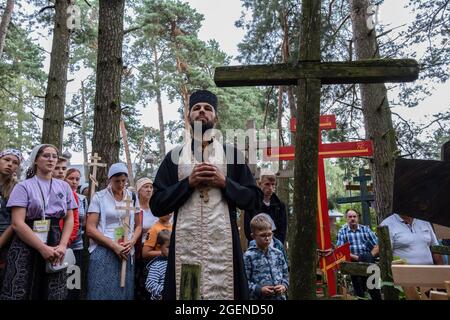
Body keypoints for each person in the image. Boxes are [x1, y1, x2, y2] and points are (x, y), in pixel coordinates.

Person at [150, 89, 261, 300]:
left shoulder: (231, 155)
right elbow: (157, 204)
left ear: (215, 117)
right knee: (188, 299)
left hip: (224, 250)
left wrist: (224, 182)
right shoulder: (174, 157)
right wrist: (188, 183)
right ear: (188, 116)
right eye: (196, 108)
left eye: (208, 108)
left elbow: (254, 199)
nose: (202, 111)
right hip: (186, 248)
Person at [0, 144, 76, 300]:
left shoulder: (64, 186)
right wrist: (42, 248)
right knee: (22, 287)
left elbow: (69, 218)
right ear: (35, 160)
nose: (51, 159)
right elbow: (17, 223)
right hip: (26, 241)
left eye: (54, 156)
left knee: (52, 290)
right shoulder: (23, 186)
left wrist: (62, 245)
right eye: (46, 156)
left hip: (55, 240)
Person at [86, 162, 142, 300]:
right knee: (102, 289)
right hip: (104, 247)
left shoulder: (132, 197)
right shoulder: (99, 197)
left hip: (126, 248)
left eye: (124, 180)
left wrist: (132, 241)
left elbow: (139, 225)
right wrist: (113, 245)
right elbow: (90, 229)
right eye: (117, 181)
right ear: (110, 179)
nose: (121, 184)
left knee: (123, 290)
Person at [336, 208, 381, 300]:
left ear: (358, 218)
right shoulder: (343, 231)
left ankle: (373, 296)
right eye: (350, 217)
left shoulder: (366, 230)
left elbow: (377, 246)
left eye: (354, 216)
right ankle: (363, 295)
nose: (352, 218)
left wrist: (369, 256)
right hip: (353, 261)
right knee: (360, 286)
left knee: (372, 283)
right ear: (346, 218)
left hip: (369, 260)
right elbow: (340, 250)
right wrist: (359, 258)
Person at [243, 214, 289, 300]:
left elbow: (286, 275)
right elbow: (244, 282)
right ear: (253, 236)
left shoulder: (278, 253)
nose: (267, 238)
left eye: (270, 234)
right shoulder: (248, 256)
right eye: (263, 235)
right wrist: (259, 290)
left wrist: (284, 286)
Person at [0, 149, 23, 287]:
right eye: (6, 160)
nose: (10, 164)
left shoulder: (17, 188)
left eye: (15, 162)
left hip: (7, 239)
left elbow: (15, 221)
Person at [245, 174, 287, 244]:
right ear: (259, 184)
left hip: (275, 246)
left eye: (273, 184)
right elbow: (248, 229)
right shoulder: (252, 204)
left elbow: (282, 230)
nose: (270, 188)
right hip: (256, 246)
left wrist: (276, 245)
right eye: (267, 184)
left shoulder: (280, 206)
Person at [64, 168, 87, 300]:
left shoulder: (82, 199)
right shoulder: (60, 194)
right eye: (71, 178)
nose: (74, 182)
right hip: (60, 245)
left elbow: (84, 221)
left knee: (73, 282)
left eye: (77, 179)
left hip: (76, 245)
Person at [134, 177, 158, 300]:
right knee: (142, 283)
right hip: (140, 250)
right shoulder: (135, 210)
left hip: (157, 250)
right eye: (145, 187)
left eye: (151, 187)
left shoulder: (156, 208)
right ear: (138, 190)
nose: (149, 190)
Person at [145, 229, 171, 300]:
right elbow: (150, 283)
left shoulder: (176, 262)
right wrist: (165, 291)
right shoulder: (156, 265)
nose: (172, 250)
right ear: (159, 247)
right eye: (168, 247)